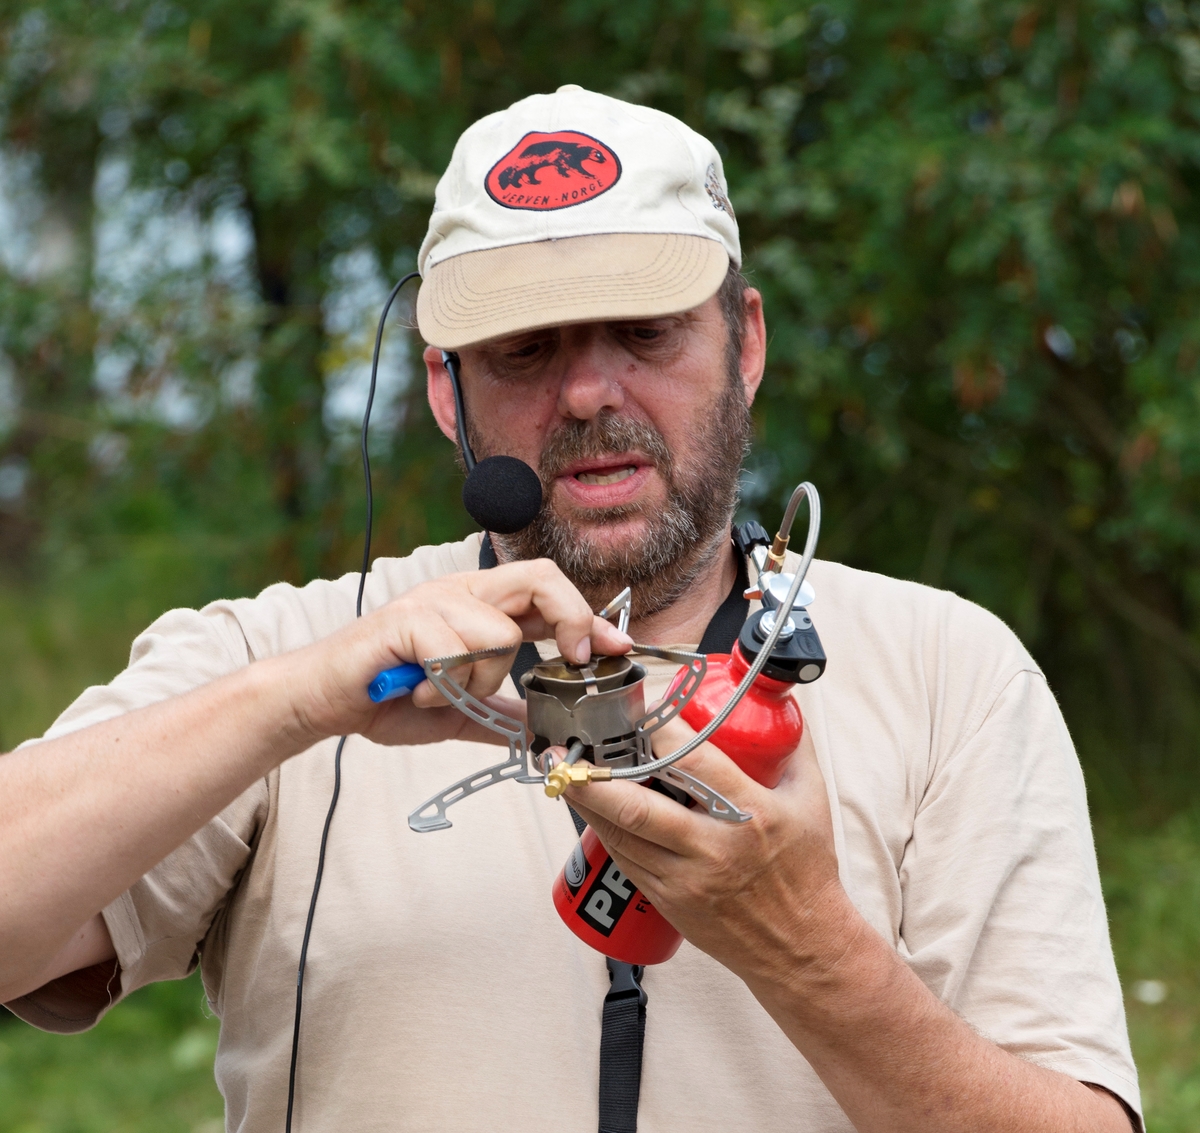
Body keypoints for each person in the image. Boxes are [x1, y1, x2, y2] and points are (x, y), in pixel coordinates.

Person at [1, 85, 1140, 1133]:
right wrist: (303, 697)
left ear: (743, 344)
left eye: (646, 332)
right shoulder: (284, 657)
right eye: (526, 348)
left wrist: (815, 958)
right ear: (446, 388)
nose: (591, 391)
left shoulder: (951, 676)